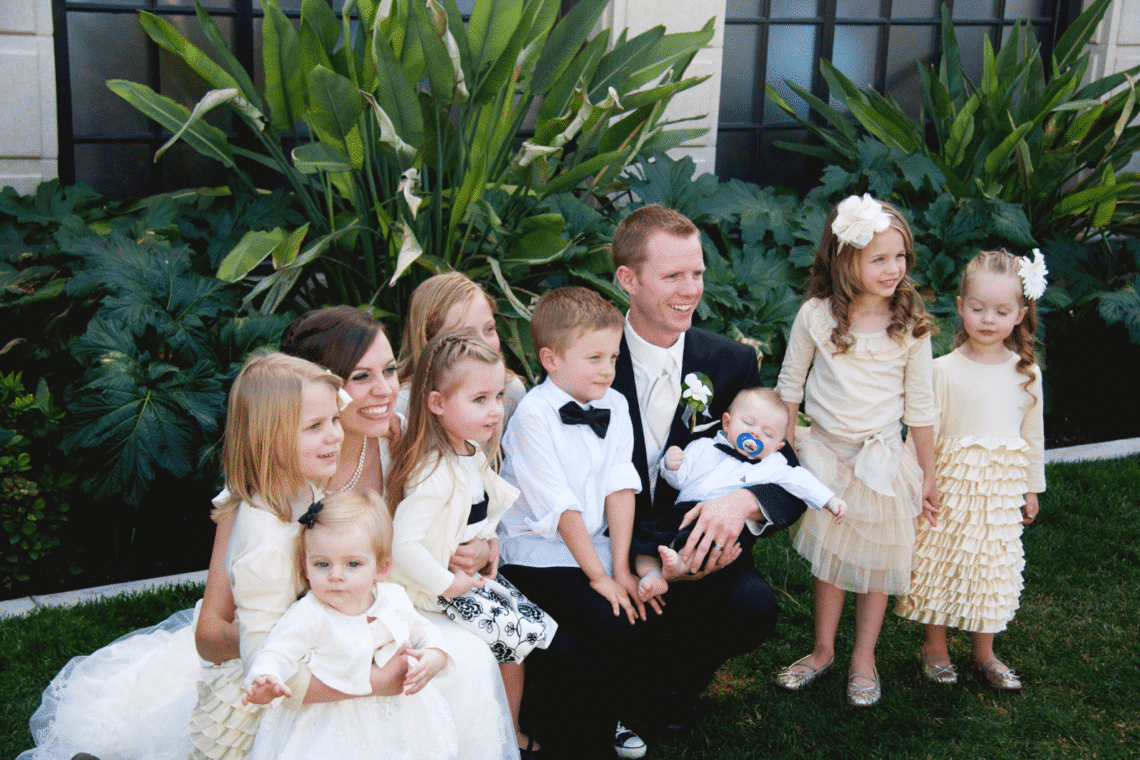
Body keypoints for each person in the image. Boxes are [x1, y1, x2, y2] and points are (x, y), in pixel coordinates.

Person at [200, 306, 520, 760]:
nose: (386, 391)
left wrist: (483, 546)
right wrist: (322, 631)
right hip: (307, 647)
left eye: (389, 370)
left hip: (394, 613)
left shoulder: (407, 443)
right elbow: (210, 633)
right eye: (361, 377)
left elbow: (463, 502)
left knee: (463, 661)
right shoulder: (268, 491)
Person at [17, 352, 352, 760]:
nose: (336, 434)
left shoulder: (304, 486)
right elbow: (258, 641)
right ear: (271, 438)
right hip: (266, 679)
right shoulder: (263, 533)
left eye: (335, 420)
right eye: (315, 426)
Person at [608, 204, 808, 730]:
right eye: (672, 275)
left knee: (752, 608)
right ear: (628, 280)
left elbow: (782, 462)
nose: (690, 289)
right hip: (602, 538)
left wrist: (746, 502)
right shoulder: (591, 357)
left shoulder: (729, 362)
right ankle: (626, 687)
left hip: (696, 542)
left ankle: (674, 685)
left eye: (696, 273)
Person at [774, 193, 938, 707]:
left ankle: (863, 657)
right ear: (846, 261)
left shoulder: (909, 324)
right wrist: (783, 452)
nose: (894, 268)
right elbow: (789, 387)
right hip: (824, 452)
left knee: (878, 563)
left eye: (901, 256)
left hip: (883, 458)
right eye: (879, 258)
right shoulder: (816, 317)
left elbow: (922, 408)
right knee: (833, 558)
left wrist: (926, 473)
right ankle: (823, 650)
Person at [386, 331, 557, 758]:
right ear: (438, 404)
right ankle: (508, 733)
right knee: (515, 641)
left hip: (464, 573)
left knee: (531, 626)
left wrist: (488, 542)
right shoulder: (432, 472)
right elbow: (403, 545)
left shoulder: (466, 451)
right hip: (430, 588)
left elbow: (477, 512)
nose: (496, 410)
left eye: (498, 396)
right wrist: (448, 584)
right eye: (479, 400)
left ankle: (512, 722)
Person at [497, 286, 646, 759]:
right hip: (533, 554)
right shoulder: (533, 416)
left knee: (626, 614)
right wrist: (599, 579)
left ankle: (599, 725)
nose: (608, 369)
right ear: (551, 359)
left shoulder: (615, 405)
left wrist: (619, 568)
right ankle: (583, 739)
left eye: (614, 357)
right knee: (606, 620)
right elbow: (561, 509)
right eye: (595, 357)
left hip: (593, 546)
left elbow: (620, 485)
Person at [894, 249, 1047, 691]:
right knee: (939, 564)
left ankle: (985, 652)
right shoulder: (941, 370)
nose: (988, 319)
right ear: (960, 307)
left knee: (990, 568)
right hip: (949, 486)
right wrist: (917, 478)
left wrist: (1030, 488)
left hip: (998, 492)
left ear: (1020, 314)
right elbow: (920, 430)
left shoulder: (1026, 373)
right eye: (978, 308)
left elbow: (1032, 437)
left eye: (1001, 311)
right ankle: (936, 648)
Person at [242, 490, 457, 760]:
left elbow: (423, 630)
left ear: (381, 567)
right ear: (306, 568)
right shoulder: (310, 614)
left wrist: (435, 654)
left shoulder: (392, 599)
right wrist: (267, 676)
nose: (336, 576)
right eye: (322, 564)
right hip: (328, 722)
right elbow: (278, 651)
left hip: (398, 715)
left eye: (352, 564)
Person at [634, 387, 846, 597]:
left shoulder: (773, 465)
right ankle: (652, 575)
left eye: (767, 433)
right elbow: (679, 480)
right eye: (749, 423)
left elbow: (801, 481)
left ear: (777, 447)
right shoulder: (703, 447)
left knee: (707, 542)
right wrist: (671, 465)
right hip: (683, 513)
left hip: (725, 525)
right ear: (727, 423)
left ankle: (680, 565)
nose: (755, 433)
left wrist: (829, 500)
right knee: (646, 533)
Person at [396, 272, 527, 422]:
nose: (484, 344)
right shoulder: (405, 405)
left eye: (489, 329)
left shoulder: (510, 393)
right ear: (429, 342)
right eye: (466, 336)